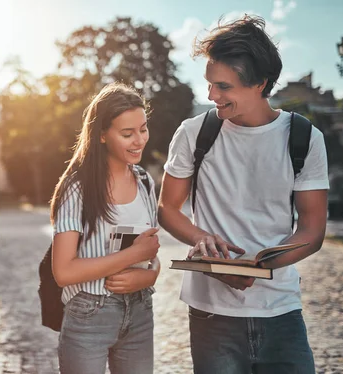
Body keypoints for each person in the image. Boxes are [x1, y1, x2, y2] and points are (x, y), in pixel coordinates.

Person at [158, 15, 328, 374]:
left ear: (260, 84)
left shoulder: (304, 138)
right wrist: (203, 240)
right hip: (210, 316)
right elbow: (168, 209)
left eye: (223, 87)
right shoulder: (194, 133)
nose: (211, 95)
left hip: (281, 310)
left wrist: (260, 267)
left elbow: (313, 231)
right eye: (209, 84)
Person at [50, 82, 161, 374]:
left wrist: (150, 276)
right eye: (127, 134)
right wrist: (130, 257)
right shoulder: (78, 188)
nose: (139, 140)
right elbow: (63, 272)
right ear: (101, 135)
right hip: (89, 314)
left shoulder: (146, 182)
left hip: (140, 311)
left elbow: (149, 253)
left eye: (143, 129)